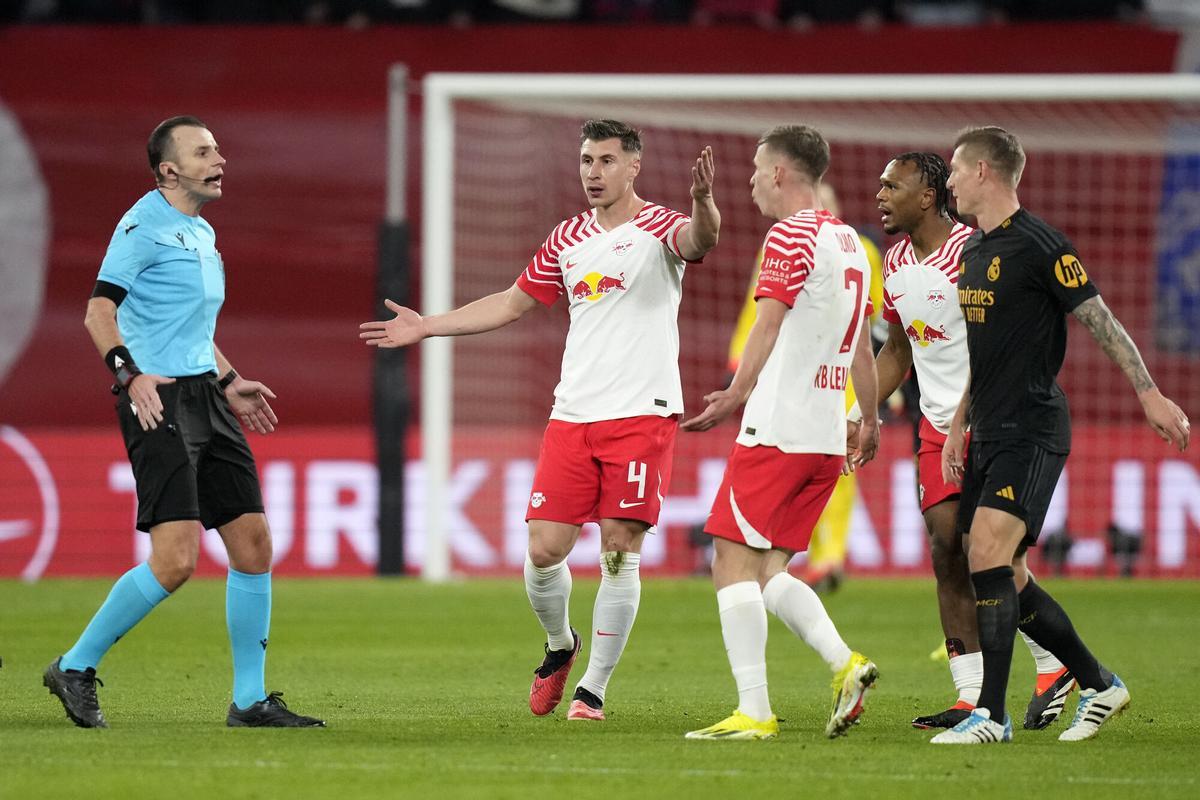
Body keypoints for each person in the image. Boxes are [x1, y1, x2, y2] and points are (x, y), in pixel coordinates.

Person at [360, 119, 720, 722]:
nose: (593, 172)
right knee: (545, 548)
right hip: (573, 413)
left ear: (634, 166)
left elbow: (699, 241)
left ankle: (593, 690)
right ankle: (560, 647)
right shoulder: (568, 237)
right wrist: (428, 325)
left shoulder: (658, 225)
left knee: (616, 550)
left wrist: (705, 203)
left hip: (641, 412)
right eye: (586, 160)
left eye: (606, 161)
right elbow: (511, 302)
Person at [43, 116, 324, 729]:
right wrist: (130, 374)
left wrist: (228, 380)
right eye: (203, 152)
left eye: (218, 148)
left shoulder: (200, 231)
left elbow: (194, 329)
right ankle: (75, 665)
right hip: (157, 398)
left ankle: (249, 701)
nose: (219, 159)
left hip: (205, 395)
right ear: (169, 170)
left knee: (252, 544)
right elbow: (97, 312)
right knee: (176, 561)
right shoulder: (143, 226)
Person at [932, 126, 1190, 744]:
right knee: (1008, 573)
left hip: (1034, 425)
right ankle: (1099, 683)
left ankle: (989, 716)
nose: (949, 182)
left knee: (986, 553)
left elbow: (1101, 320)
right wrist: (960, 421)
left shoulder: (1042, 244)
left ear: (985, 172)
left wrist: (1147, 391)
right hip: (989, 428)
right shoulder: (973, 252)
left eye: (956, 170)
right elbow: (983, 348)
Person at [679, 125, 879, 741]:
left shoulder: (790, 234)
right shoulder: (850, 242)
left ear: (783, 174)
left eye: (758, 169)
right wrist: (867, 419)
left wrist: (736, 395)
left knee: (729, 563)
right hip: (824, 433)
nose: (750, 180)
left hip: (777, 430)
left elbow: (765, 326)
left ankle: (755, 712)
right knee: (768, 574)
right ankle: (846, 664)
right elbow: (865, 351)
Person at [872, 151, 1075, 731]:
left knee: (990, 555)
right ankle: (969, 696)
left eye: (893, 185)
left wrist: (969, 415)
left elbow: (996, 345)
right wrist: (860, 413)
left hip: (992, 419)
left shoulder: (973, 253)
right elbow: (899, 349)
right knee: (945, 549)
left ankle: (1049, 661)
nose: (880, 195)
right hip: (935, 425)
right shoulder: (894, 260)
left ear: (929, 194)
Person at [721, 182, 885, 594]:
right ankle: (804, 553)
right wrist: (739, 360)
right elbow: (758, 312)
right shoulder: (852, 248)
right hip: (808, 373)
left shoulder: (850, 248)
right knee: (817, 464)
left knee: (833, 466)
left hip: (834, 372)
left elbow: (876, 320)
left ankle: (825, 556)